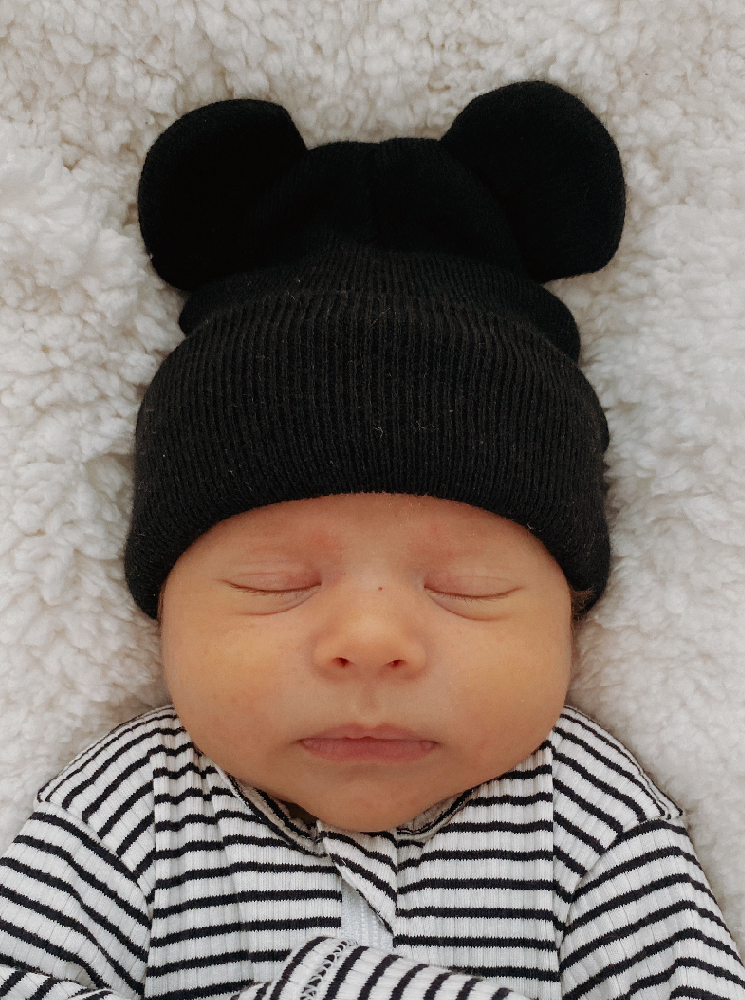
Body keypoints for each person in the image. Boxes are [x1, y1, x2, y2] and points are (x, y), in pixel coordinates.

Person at [0, 81, 742, 1000]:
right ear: (163, 616)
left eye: (466, 586)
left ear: (572, 618)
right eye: (276, 582)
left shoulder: (589, 811)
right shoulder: (127, 806)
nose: (372, 642)